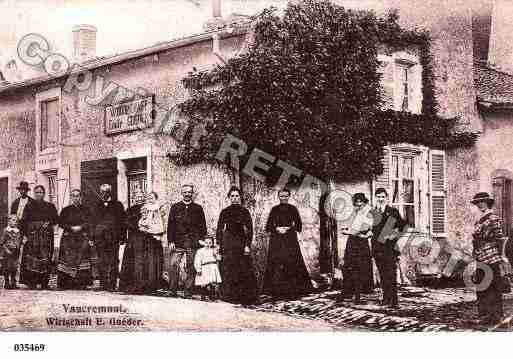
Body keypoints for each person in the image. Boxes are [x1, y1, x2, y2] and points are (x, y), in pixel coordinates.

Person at [262, 188, 313, 299]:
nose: (284, 198)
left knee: (291, 261)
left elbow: (299, 225)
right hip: (277, 240)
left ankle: (294, 290)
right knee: (277, 262)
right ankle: (276, 290)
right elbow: (268, 226)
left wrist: (289, 228)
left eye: (286, 196)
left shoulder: (293, 209)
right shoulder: (274, 209)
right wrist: (277, 229)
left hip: (290, 240)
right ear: (278, 197)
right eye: (281, 196)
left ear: (289, 197)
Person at [470, 192, 507, 326]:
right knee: (482, 287)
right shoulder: (479, 220)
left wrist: (502, 257)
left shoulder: (494, 219)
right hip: (480, 256)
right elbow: (475, 239)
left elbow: (500, 239)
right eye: (478, 202)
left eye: (483, 201)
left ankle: (497, 316)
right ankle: (484, 316)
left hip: (492, 256)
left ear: (488, 203)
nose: (480, 204)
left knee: (494, 287)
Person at [216, 186, 257, 305]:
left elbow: (250, 229)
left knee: (243, 268)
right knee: (228, 268)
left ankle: (244, 296)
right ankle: (229, 296)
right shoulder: (225, 211)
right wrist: (218, 244)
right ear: (229, 198)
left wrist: (247, 245)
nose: (234, 198)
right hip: (228, 242)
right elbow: (219, 229)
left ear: (240, 197)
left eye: (237, 196)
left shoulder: (244, 211)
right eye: (232, 196)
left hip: (240, 241)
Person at [119, 191, 165, 294]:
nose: (139, 199)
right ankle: (133, 286)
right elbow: (126, 222)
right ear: (133, 198)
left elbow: (156, 221)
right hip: (134, 238)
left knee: (146, 263)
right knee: (135, 262)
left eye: (141, 197)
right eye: (137, 197)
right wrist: (138, 226)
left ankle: (147, 286)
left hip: (146, 239)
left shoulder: (149, 208)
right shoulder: (130, 210)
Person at [167, 184, 207, 298]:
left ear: (192, 193)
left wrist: (200, 240)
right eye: (185, 192)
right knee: (173, 264)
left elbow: (203, 226)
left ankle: (188, 291)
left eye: (189, 192)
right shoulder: (175, 207)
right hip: (178, 242)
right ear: (181, 193)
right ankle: (172, 290)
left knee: (191, 266)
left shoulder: (198, 208)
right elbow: (170, 225)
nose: (187, 194)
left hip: (192, 242)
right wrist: (171, 241)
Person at [371, 187, 407, 308]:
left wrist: (393, 235)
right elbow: (369, 229)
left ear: (386, 198)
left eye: (383, 197)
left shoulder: (393, 211)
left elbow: (403, 227)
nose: (381, 199)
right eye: (378, 197)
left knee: (391, 274)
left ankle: (394, 301)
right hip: (377, 248)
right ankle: (386, 299)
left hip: (390, 248)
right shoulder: (373, 212)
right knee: (382, 274)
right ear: (375, 198)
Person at [56, 189, 98, 290]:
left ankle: (81, 283)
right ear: (71, 198)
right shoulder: (66, 210)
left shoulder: (86, 209)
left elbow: (90, 222)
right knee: (67, 258)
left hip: (81, 237)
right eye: (73, 196)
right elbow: (60, 223)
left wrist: (81, 227)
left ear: (81, 197)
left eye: (78, 196)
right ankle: (66, 283)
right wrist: (71, 228)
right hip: (68, 237)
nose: (76, 198)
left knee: (82, 258)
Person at [19, 185, 58, 289]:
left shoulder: (50, 206)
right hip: (32, 237)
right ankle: (32, 282)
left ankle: (44, 283)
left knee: (45, 257)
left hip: (46, 236)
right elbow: (23, 221)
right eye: (36, 192)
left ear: (44, 194)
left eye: (40, 192)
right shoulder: (29, 206)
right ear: (34, 194)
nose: (38, 194)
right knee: (32, 258)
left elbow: (56, 220)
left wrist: (48, 223)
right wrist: (25, 235)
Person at [339, 193, 373, 304]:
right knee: (348, 267)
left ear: (364, 202)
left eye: (360, 202)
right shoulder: (354, 213)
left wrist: (350, 231)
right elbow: (350, 226)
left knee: (360, 268)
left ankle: (358, 294)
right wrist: (347, 229)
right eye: (356, 203)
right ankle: (348, 291)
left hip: (361, 243)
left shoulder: (369, 213)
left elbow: (365, 228)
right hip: (352, 242)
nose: (358, 205)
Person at [91, 184, 126, 291]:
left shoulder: (118, 205)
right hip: (100, 238)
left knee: (113, 260)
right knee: (101, 260)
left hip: (113, 237)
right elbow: (92, 222)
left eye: (106, 192)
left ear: (110, 192)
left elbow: (122, 222)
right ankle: (103, 283)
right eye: (102, 192)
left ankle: (112, 284)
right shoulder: (96, 206)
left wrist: (122, 237)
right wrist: (92, 237)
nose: (104, 194)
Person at [194, 235, 222, 301]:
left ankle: (212, 295)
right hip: (204, 268)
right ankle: (203, 295)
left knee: (212, 282)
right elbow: (197, 260)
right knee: (204, 282)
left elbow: (218, 259)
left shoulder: (213, 250)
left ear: (212, 243)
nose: (208, 245)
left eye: (210, 243)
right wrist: (198, 269)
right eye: (206, 243)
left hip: (212, 267)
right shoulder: (200, 251)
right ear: (203, 242)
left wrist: (217, 253)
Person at [0, 215, 22, 289]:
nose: (15, 222)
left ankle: (13, 282)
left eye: (16, 221)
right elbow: (2, 243)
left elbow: (19, 240)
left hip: (15, 252)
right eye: (13, 220)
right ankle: (6, 282)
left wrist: (20, 244)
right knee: (7, 267)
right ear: (9, 221)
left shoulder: (18, 231)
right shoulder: (6, 231)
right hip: (7, 252)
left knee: (14, 267)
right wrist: (6, 250)